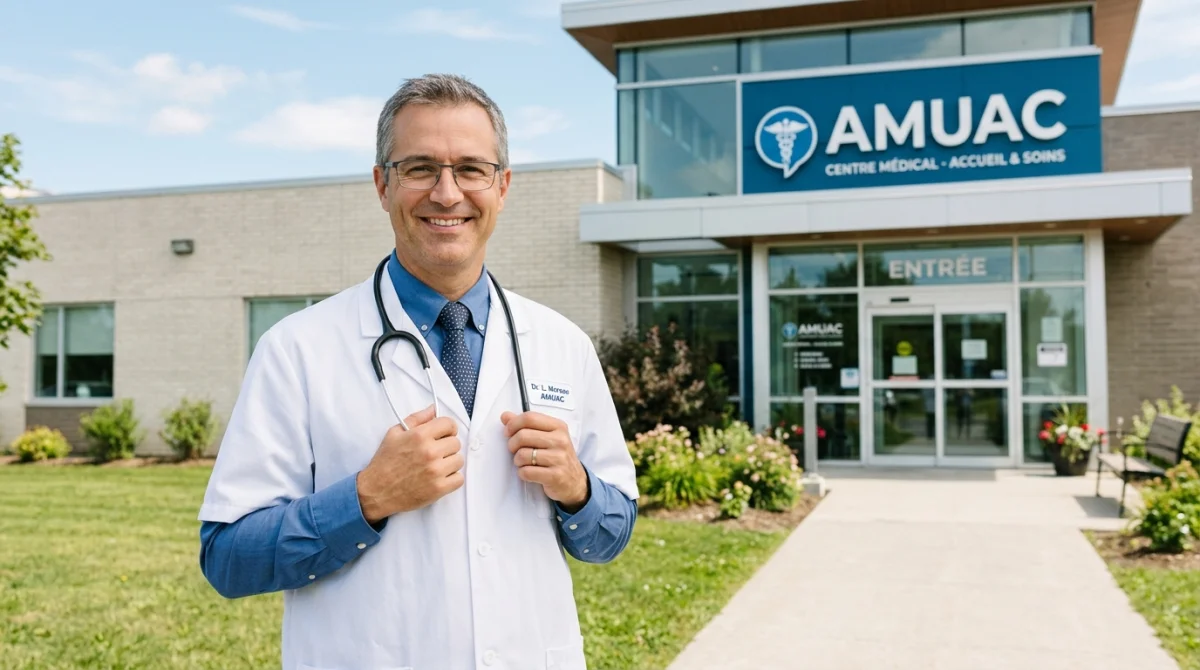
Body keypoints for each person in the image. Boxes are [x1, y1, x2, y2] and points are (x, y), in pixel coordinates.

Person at [197, 73, 639, 670]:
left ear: (502, 186)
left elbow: (611, 534)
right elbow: (227, 558)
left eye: (472, 169)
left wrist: (577, 488)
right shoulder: (297, 349)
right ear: (382, 185)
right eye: (421, 167)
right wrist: (365, 499)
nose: (448, 193)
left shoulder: (562, 344)